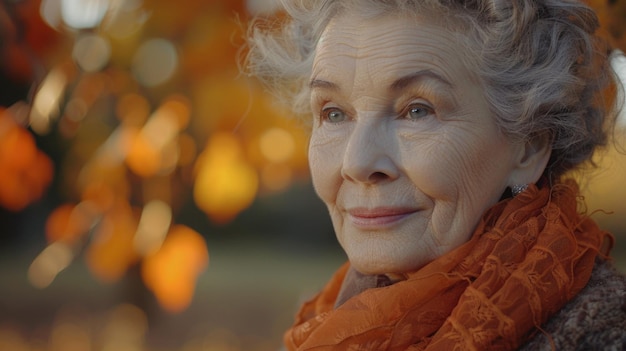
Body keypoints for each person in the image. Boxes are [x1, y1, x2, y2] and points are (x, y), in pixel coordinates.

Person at [244, 0, 626, 349]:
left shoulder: (601, 334)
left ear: (528, 146)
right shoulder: (332, 325)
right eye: (334, 113)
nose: (357, 163)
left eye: (417, 110)